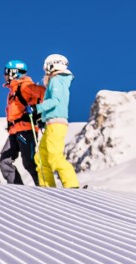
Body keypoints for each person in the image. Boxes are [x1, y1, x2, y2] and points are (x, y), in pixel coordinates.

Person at [34, 54, 80, 188]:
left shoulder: (56, 80)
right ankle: (46, 187)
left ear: (53, 65)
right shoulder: (58, 80)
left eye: (47, 67)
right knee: (41, 158)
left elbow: (55, 101)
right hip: (51, 123)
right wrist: (43, 118)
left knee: (55, 156)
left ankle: (72, 185)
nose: (46, 71)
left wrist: (37, 108)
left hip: (56, 123)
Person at [0, 60, 45, 185]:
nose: (4, 75)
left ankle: (44, 187)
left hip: (26, 130)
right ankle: (17, 190)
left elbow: (43, 93)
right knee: (4, 161)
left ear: (14, 73)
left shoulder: (25, 86)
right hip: (14, 132)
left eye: (7, 72)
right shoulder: (12, 92)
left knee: (29, 163)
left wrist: (36, 111)